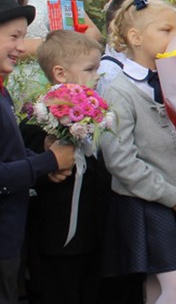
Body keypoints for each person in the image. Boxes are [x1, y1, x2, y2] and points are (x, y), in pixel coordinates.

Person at [100, 0, 176, 304]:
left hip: (175, 196)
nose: (175, 40)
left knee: (157, 288)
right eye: (166, 31)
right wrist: (171, 195)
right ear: (135, 37)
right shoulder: (118, 90)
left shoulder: (174, 81)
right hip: (147, 201)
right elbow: (120, 160)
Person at [0, 0, 75, 304]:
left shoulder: (3, 90)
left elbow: (8, 155)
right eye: (13, 37)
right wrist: (47, 161)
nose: (21, 47)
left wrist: (46, 164)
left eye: (23, 36)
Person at [28, 31, 105, 304]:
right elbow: (34, 168)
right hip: (58, 235)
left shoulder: (99, 111)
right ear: (60, 74)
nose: (98, 75)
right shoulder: (37, 117)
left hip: (93, 229)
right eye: (90, 69)